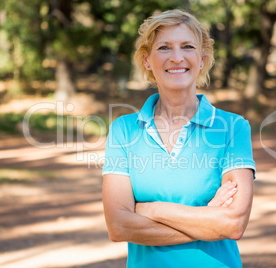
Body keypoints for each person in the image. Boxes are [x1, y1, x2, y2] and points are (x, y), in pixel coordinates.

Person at [102, 9, 256, 268]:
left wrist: (151, 209)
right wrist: (208, 220)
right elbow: (118, 226)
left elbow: (232, 224)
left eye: (187, 46)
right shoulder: (124, 130)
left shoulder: (233, 128)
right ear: (147, 60)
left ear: (203, 59)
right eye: (164, 47)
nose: (176, 57)